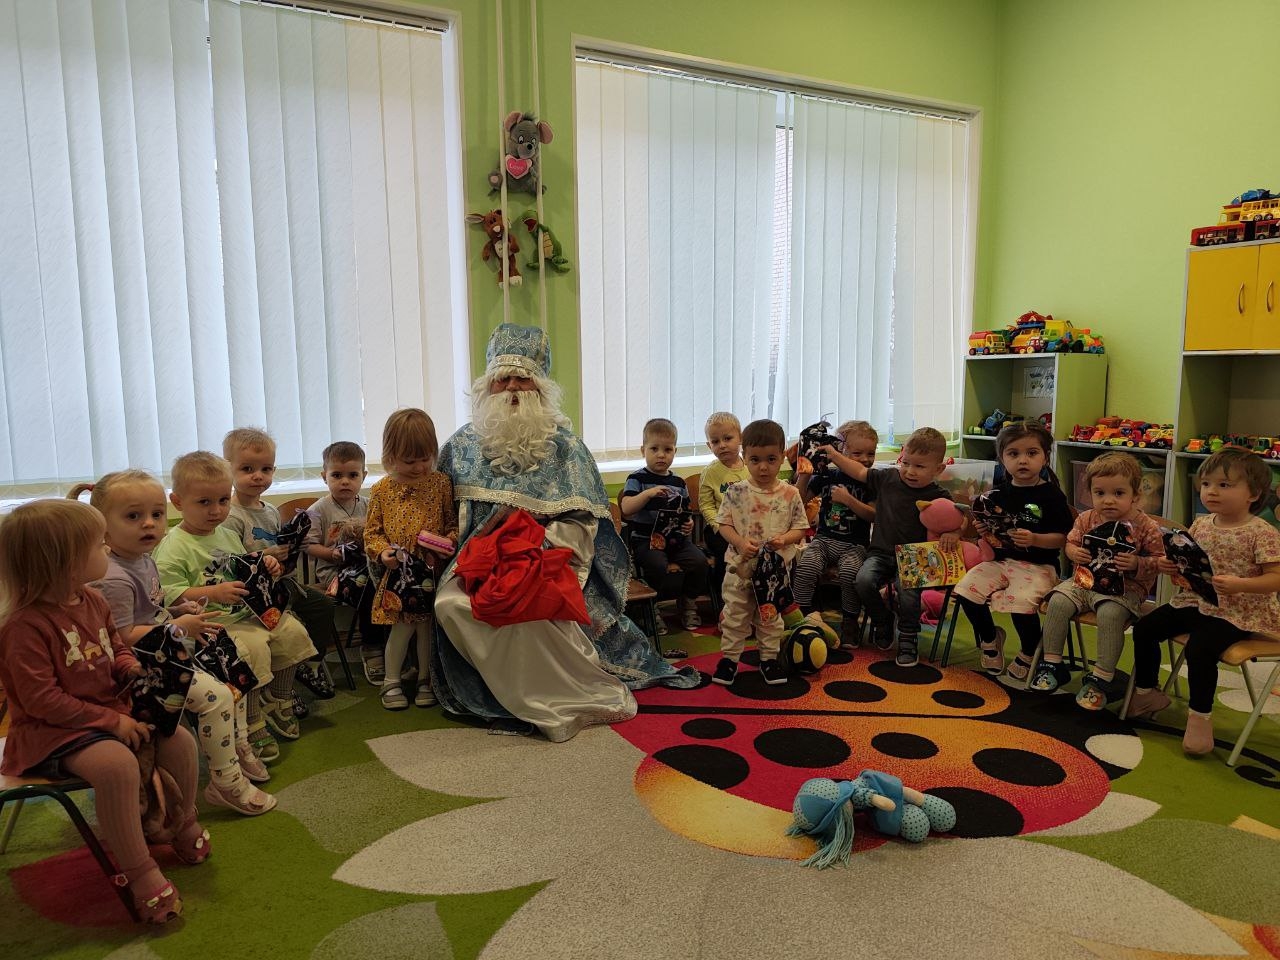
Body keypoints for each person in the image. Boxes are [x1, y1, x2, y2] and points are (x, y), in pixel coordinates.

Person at [432, 323, 699, 742]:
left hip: (549, 556)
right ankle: (504, 693)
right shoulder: (459, 446)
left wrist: (538, 551)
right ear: (488, 384)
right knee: (452, 603)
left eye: (523, 377)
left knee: (534, 606)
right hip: (476, 562)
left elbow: (587, 521)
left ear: (541, 385)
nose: (512, 387)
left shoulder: (568, 448)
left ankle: (548, 695)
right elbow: (444, 512)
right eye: (503, 377)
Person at [0, 499, 209, 923]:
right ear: (64, 563)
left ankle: (181, 821)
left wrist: (130, 668)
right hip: (51, 731)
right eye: (98, 545)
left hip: (109, 710)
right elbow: (41, 701)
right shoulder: (23, 626)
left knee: (179, 739)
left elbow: (115, 646)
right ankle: (139, 869)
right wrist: (112, 721)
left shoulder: (92, 599)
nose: (107, 549)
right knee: (116, 766)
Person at [72, 472, 276, 815]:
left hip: (163, 648)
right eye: (133, 516)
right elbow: (120, 639)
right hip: (137, 668)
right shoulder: (113, 578)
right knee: (217, 697)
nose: (149, 524)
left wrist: (178, 610)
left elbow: (151, 610)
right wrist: (178, 626)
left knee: (230, 665)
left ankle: (238, 744)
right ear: (102, 525)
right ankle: (225, 780)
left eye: (156, 514)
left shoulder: (143, 559)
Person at [153, 451, 316, 760]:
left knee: (293, 633)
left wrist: (266, 565)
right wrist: (212, 592)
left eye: (223, 501)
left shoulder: (227, 535)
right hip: (212, 623)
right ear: (177, 502)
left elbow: (244, 569)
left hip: (247, 612)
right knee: (252, 650)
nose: (216, 510)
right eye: (204, 502)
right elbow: (169, 595)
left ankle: (279, 699)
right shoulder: (173, 547)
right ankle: (252, 720)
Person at [1130, 449, 1280, 753]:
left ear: (1253, 494)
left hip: (1239, 612)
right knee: (1145, 628)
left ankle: (1200, 717)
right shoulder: (1201, 524)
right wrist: (1171, 566)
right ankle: (1146, 692)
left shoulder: (1261, 532)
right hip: (1195, 601)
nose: (1211, 491)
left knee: (1200, 648)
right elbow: (1190, 563)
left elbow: (1276, 577)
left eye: (1224, 485)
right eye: (1207, 484)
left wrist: (1241, 585)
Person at [1031, 452, 1164, 709]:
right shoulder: (1086, 518)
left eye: (1118, 493)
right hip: (1084, 580)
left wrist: (1137, 563)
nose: (1108, 500)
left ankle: (1102, 678)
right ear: (1090, 493)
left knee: (1110, 614)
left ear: (1136, 495)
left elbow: (1159, 561)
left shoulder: (1146, 526)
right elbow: (1070, 542)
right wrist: (1073, 552)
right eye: (1100, 493)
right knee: (1057, 601)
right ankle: (1052, 664)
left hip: (1124, 589)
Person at [221, 427, 337, 707]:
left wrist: (290, 549)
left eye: (266, 469)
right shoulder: (230, 516)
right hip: (253, 595)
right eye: (247, 469)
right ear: (228, 469)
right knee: (287, 621)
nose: (258, 476)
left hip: (281, 582)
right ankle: (284, 677)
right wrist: (267, 555)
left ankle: (306, 665)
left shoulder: (271, 510)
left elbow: (281, 552)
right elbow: (231, 563)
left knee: (322, 606)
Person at [820, 426, 954, 667]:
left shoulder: (940, 495)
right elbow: (859, 471)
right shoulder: (889, 478)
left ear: (938, 469)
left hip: (916, 557)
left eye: (919, 466)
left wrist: (954, 533)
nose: (910, 471)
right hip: (881, 552)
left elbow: (958, 521)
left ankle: (908, 638)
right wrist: (833, 454)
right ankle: (882, 620)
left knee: (908, 593)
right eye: (906, 463)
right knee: (862, 580)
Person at [953, 421, 1073, 681]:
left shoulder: (1052, 496)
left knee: (1021, 602)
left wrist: (1035, 538)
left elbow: (1063, 539)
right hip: (1001, 561)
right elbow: (990, 535)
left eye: (1032, 453)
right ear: (1002, 458)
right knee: (965, 591)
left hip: (1040, 566)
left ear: (1045, 457)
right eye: (1014, 453)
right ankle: (989, 638)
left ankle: (1030, 651)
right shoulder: (997, 494)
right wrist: (983, 530)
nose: (1023, 460)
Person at [363, 409, 458, 711]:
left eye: (425, 458)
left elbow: (452, 523)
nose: (419, 467)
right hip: (401, 574)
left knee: (427, 628)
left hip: (432, 570)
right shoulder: (382, 490)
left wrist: (448, 542)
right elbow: (372, 533)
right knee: (402, 627)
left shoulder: (440, 484)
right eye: (409, 461)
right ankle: (391, 680)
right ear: (390, 456)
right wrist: (382, 552)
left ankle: (425, 679)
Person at [711, 419, 810, 686]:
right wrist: (740, 542)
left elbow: (800, 528)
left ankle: (768, 659)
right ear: (744, 458)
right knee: (735, 616)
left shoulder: (790, 494)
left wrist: (784, 539)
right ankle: (729, 660)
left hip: (774, 574)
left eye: (771, 459)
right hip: (740, 569)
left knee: (770, 617)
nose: (763, 467)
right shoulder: (736, 492)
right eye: (755, 460)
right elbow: (724, 524)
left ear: (782, 458)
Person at [303, 441, 389, 685]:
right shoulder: (318, 510)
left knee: (390, 581)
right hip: (333, 574)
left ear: (364, 476)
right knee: (369, 586)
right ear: (324, 477)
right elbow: (307, 544)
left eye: (352, 475)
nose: (345, 482)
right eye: (336, 475)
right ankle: (372, 647)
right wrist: (331, 554)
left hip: (366, 567)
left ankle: (393, 644)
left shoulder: (369, 505)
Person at [791, 420, 878, 649]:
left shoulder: (872, 481)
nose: (865, 459)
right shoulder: (828, 476)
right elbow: (798, 502)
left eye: (871, 453)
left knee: (850, 572)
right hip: (824, 540)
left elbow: (874, 516)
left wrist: (849, 501)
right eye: (857, 453)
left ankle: (850, 621)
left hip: (855, 544)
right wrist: (805, 473)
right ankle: (804, 615)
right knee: (806, 565)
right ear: (840, 450)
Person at [619, 417, 708, 632]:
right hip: (646, 541)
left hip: (676, 540)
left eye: (667, 450)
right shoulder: (637, 479)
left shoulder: (678, 483)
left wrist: (688, 525)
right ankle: (652, 607)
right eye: (654, 449)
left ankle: (687, 602)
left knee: (700, 562)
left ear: (675, 451)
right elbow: (626, 508)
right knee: (657, 565)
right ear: (643, 450)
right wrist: (647, 494)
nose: (661, 454)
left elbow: (685, 512)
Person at [698, 411, 750, 596]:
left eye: (728, 438)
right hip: (720, 530)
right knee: (727, 553)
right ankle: (723, 594)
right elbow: (706, 505)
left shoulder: (750, 467)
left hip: (748, 526)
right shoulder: (710, 472)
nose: (722, 445)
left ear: (740, 438)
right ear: (709, 445)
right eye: (715, 441)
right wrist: (718, 526)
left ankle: (754, 592)